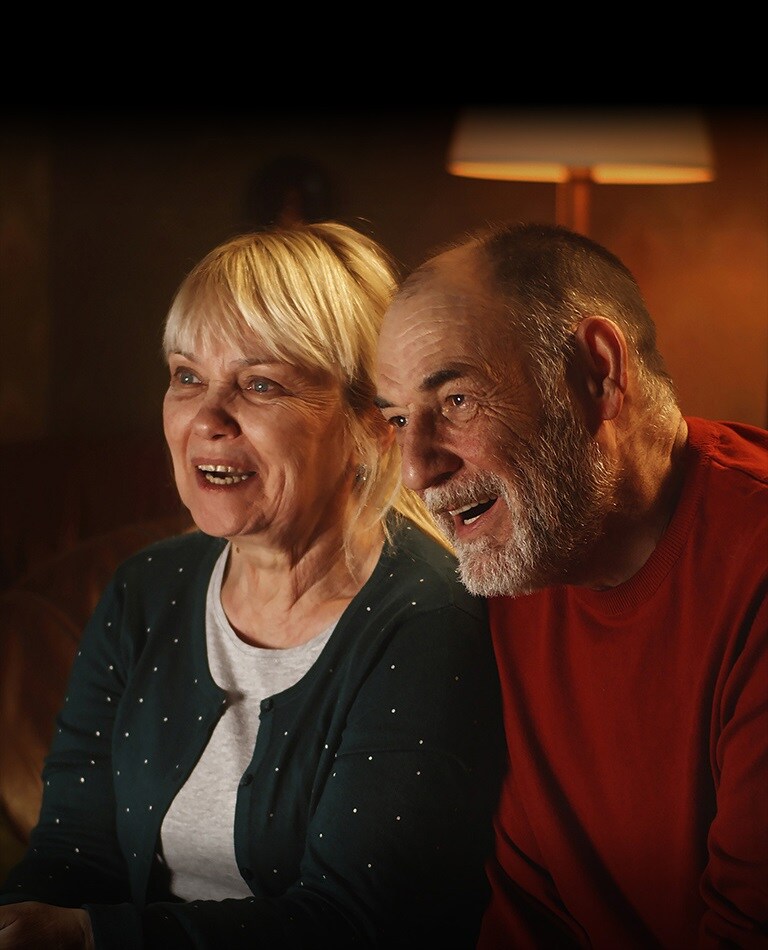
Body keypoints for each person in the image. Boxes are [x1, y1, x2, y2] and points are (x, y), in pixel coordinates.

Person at [0, 222, 505, 949]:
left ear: (371, 425)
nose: (206, 418)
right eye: (186, 376)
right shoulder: (144, 590)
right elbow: (71, 853)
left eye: (259, 384)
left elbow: (353, 924)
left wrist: (87, 938)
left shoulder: (430, 622)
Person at [375, 221, 768, 948]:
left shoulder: (753, 569)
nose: (415, 469)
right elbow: (525, 918)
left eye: (457, 400)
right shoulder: (526, 557)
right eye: (399, 418)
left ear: (598, 371)